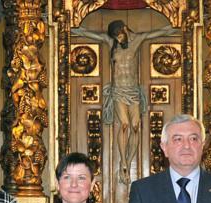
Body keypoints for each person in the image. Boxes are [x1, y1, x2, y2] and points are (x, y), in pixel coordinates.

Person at [72, 21, 178, 183]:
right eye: (116, 37)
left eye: (120, 35)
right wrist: (76, 29)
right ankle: (123, 161)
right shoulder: (111, 43)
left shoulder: (137, 40)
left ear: (125, 30)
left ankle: (128, 162)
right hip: (119, 91)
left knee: (135, 127)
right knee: (124, 125)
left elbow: (159, 32)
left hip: (133, 91)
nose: (119, 39)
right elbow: (92, 35)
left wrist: (174, 27)